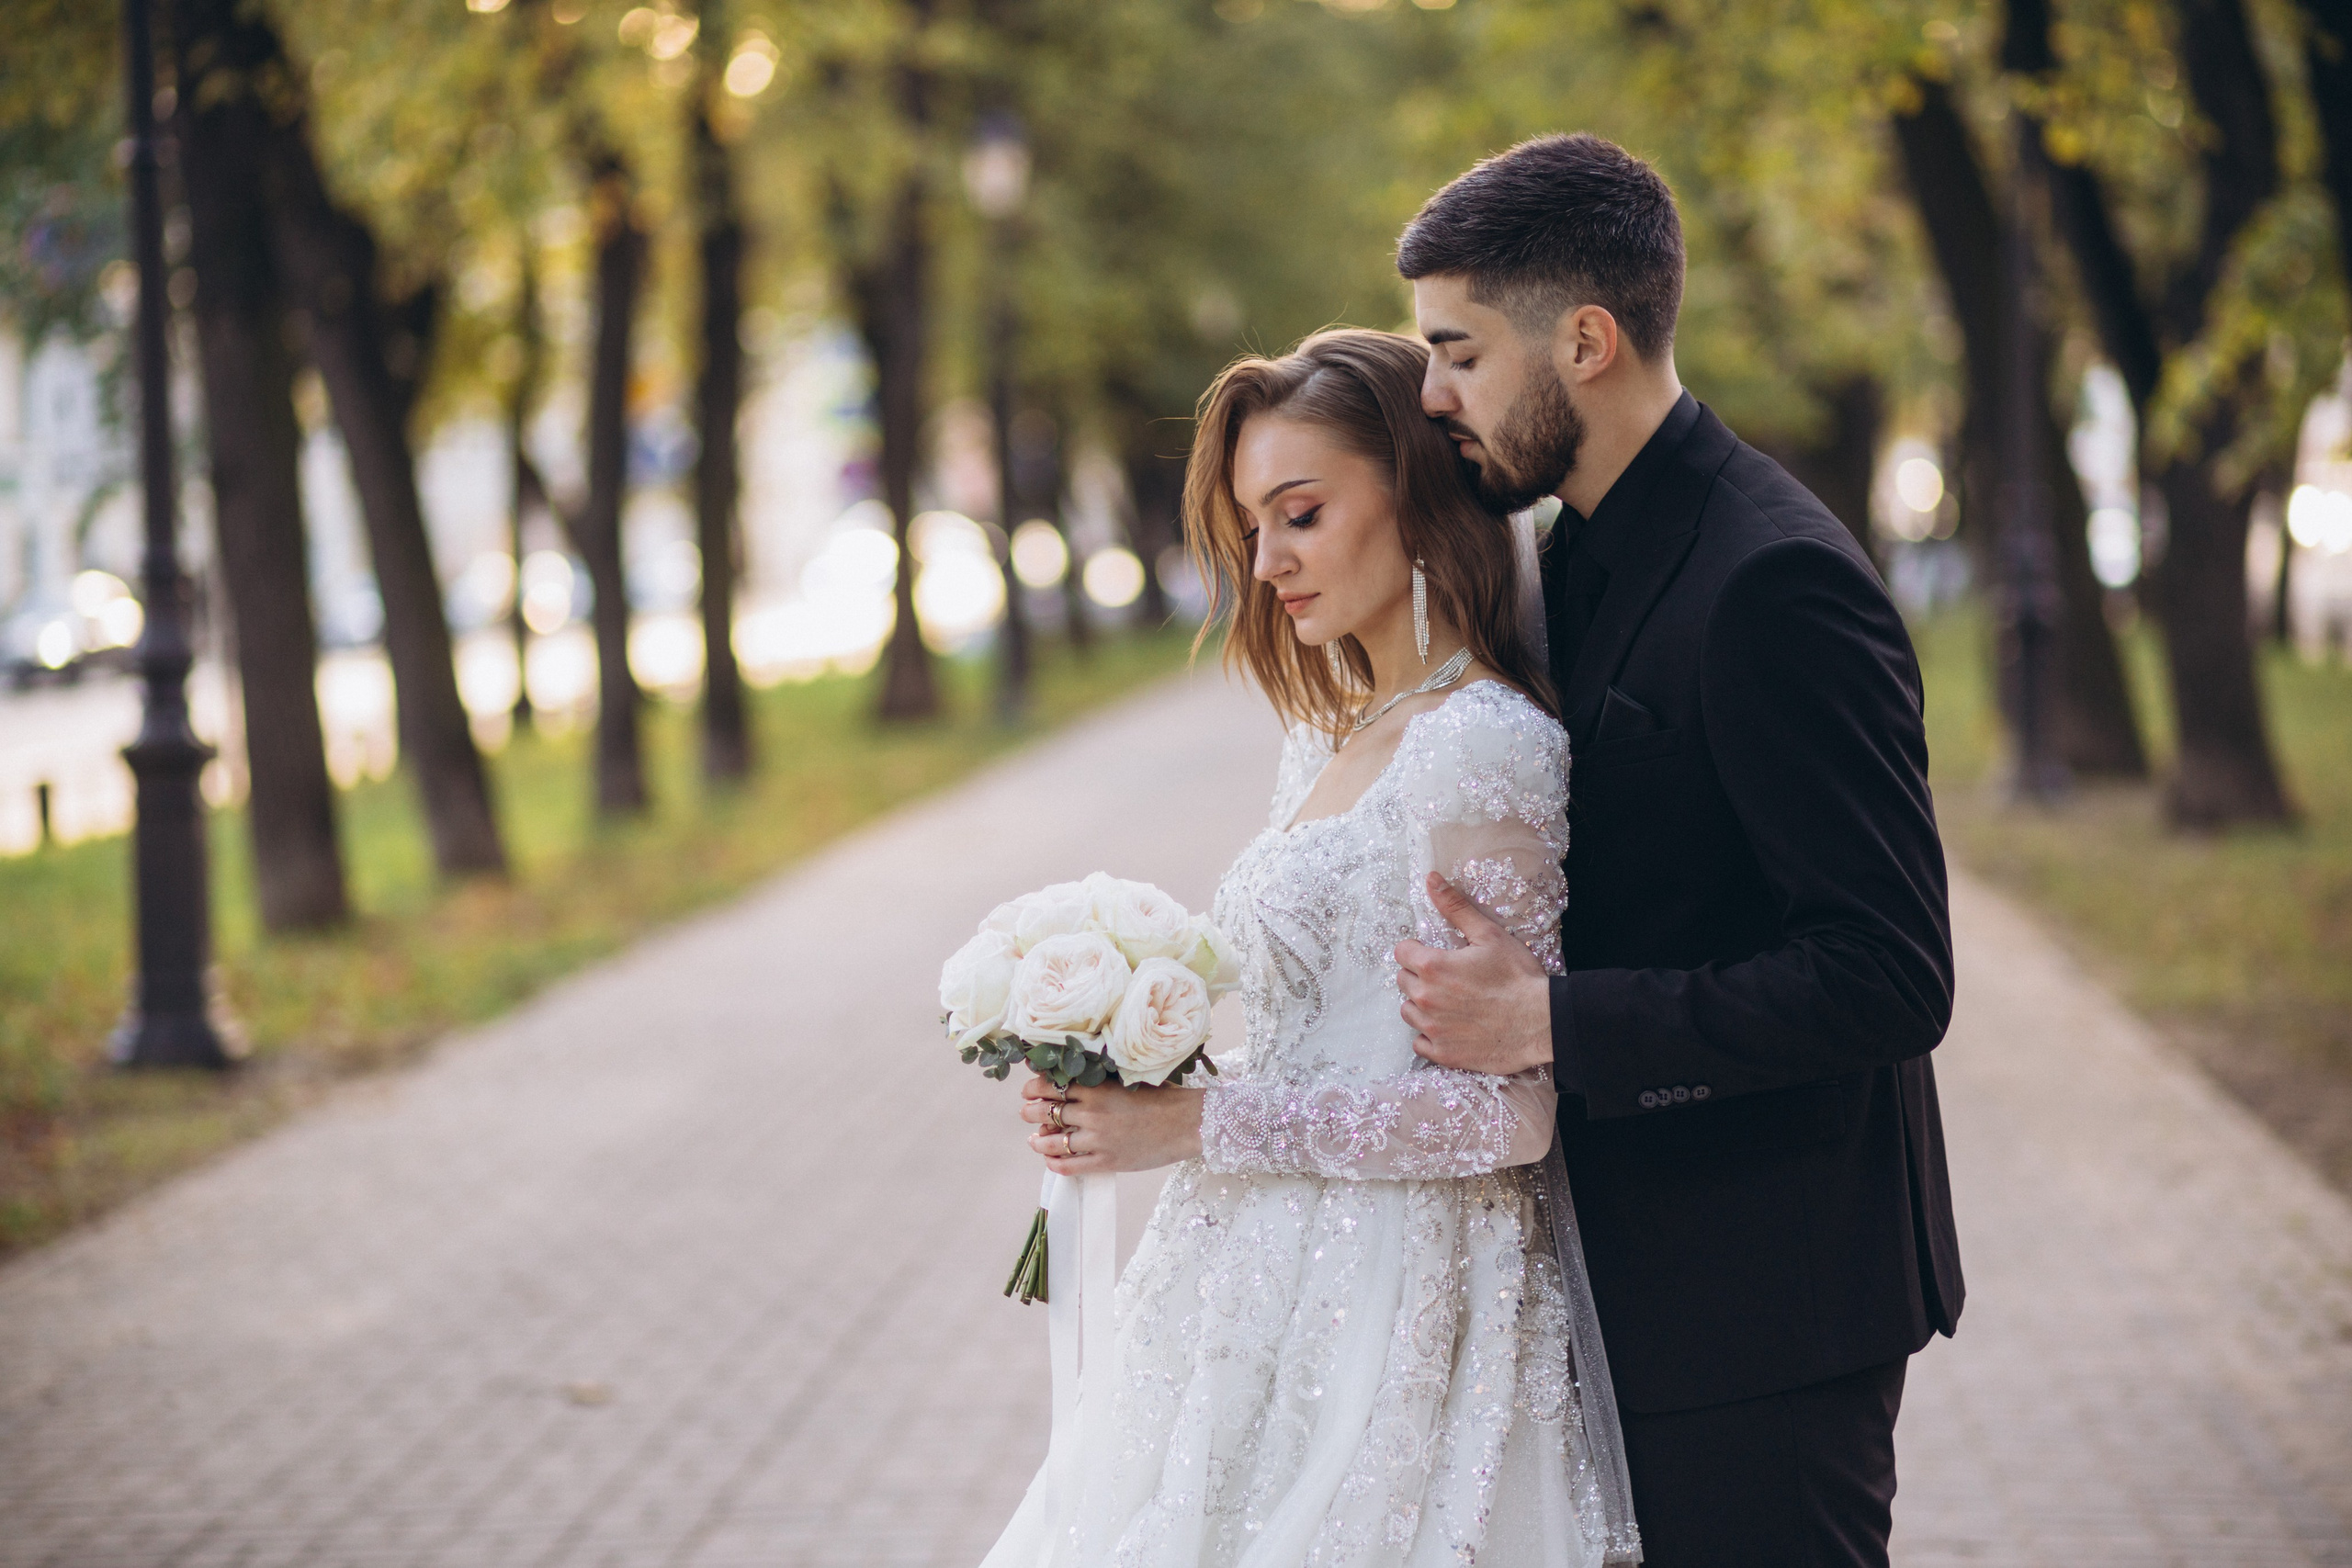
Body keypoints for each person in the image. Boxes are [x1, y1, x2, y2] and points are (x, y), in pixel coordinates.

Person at [1389, 133, 1964, 1568]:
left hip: (1768, 1301)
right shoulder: (1570, 548)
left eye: (1459, 352)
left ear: (1584, 343)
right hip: (1627, 1281)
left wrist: (1550, 1023)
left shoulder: (1776, 581)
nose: (1432, 394)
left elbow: (1889, 974)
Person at [980, 329, 1641, 1567]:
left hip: (1399, 1296)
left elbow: (1509, 1117)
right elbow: (1330, 1035)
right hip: (1247, 1275)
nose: (1267, 561)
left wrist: (1202, 1124)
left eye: (1302, 513)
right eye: (1251, 527)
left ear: (1415, 497)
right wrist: (1141, 1085)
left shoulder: (1484, 744)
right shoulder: (1327, 736)